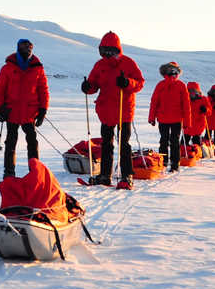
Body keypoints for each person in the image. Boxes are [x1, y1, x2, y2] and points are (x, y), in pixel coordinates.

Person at [80, 32, 144, 188]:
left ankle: (127, 175)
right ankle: (104, 175)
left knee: (124, 144)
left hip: (124, 109)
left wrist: (127, 82)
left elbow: (140, 83)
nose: (107, 54)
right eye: (104, 50)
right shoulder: (99, 65)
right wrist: (87, 87)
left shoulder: (128, 63)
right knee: (106, 144)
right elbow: (93, 85)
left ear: (117, 49)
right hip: (106, 110)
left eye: (110, 50)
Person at [0, 38, 49, 178]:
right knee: (11, 143)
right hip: (11, 112)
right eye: (24, 47)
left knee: (32, 142)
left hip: (30, 113)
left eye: (29, 48)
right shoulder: (8, 68)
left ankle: (35, 174)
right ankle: (9, 174)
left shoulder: (38, 68)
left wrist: (43, 110)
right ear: (18, 48)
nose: (27, 50)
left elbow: (43, 90)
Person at [147, 61, 191, 172]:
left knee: (174, 142)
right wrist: (151, 117)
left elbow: (186, 105)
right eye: (170, 70)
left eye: (174, 70)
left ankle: (174, 163)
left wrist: (187, 122)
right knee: (164, 141)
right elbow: (154, 102)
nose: (172, 73)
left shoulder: (181, 85)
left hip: (176, 119)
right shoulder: (160, 85)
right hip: (163, 118)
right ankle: (164, 161)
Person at [183, 81, 209, 149]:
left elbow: (209, 111)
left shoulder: (203, 99)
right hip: (187, 125)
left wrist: (206, 110)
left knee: (196, 143)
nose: (192, 93)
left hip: (198, 125)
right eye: (190, 91)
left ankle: (197, 154)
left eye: (193, 91)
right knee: (183, 143)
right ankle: (183, 153)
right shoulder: (185, 99)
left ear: (197, 91)